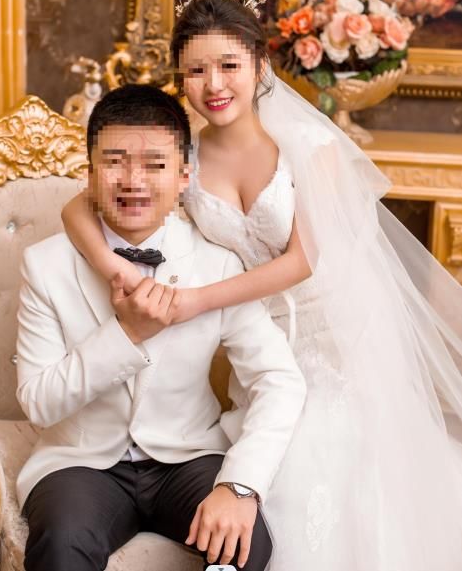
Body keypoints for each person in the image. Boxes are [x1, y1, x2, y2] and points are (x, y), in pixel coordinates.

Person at [62, 0, 462, 570]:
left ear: (258, 62)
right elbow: (77, 206)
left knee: (332, 471)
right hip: (257, 341)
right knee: (257, 467)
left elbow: (304, 260)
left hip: (336, 337)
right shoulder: (183, 155)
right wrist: (116, 267)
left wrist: (197, 301)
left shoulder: (309, 147)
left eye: (228, 65)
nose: (213, 85)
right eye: (195, 71)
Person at [17, 85, 306, 571]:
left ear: (183, 175)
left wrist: (240, 486)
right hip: (80, 463)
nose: (134, 181)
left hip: (188, 457)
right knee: (62, 544)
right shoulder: (45, 265)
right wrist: (127, 333)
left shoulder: (218, 263)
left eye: (155, 165)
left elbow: (279, 379)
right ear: (90, 173)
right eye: (115, 162)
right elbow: (39, 402)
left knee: (246, 545)